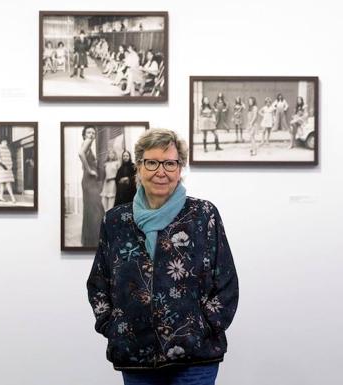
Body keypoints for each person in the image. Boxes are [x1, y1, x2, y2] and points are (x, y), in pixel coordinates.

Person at [87, 128, 238, 384]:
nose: (161, 171)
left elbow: (226, 282)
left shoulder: (204, 215)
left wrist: (204, 326)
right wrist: (112, 326)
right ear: (138, 167)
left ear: (180, 168)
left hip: (195, 356)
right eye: (152, 162)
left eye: (170, 163)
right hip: (136, 355)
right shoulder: (116, 221)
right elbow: (99, 282)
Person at [78, 125, 104, 247]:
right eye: (88, 132)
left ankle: (92, 238)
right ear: (84, 135)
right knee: (96, 208)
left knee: (92, 208)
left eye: (93, 133)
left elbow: (83, 156)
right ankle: (96, 238)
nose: (91, 135)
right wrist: (89, 170)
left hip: (89, 181)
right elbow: (80, 154)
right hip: (89, 181)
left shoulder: (87, 144)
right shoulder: (87, 142)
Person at [0, 139, 16, 203]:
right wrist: (4, 166)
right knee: (8, 183)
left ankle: (0, 197)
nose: (5, 143)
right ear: (1, 142)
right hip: (2, 169)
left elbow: (10, 159)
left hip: (8, 169)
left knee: (3, 183)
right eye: (4, 142)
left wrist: (10, 166)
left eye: (6, 141)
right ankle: (12, 197)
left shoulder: (7, 149)